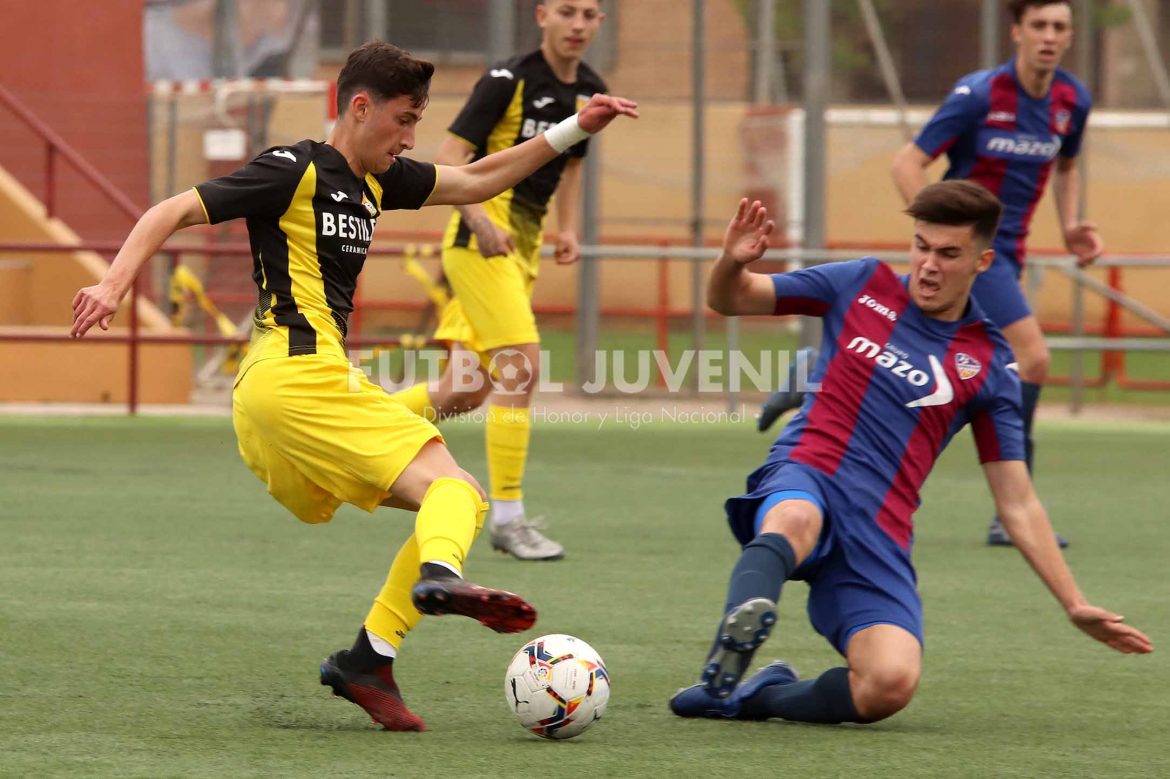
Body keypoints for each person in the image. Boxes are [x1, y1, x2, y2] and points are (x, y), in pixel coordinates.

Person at [70, 41, 637, 732]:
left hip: (280, 405)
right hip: (293, 376)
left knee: (444, 505)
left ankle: (369, 657)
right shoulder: (293, 166)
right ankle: (439, 580)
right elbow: (171, 210)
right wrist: (113, 281)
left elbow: (481, 179)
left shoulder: (381, 181)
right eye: (403, 120)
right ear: (359, 107)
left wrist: (578, 127)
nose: (411, 136)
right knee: (457, 492)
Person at [669, 183, 1151, 726]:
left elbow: (1016, 502)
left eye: (948, 254)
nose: (927, 265)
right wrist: (730, 263)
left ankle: (754, 697)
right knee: (795, 517)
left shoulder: (988, 365)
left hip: (879, 525)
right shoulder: (859, 282)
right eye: (921, 246)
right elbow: (729, 299)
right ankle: (725, 660)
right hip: (809, 469)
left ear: (983, 261)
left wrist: (1073, 602)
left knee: (889, 685)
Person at [386, 0, 607, 562]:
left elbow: (573, 165)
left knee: (465, 387)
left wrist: (570, 230)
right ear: (541, 17)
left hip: (522, 247)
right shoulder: (508, 79)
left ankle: (354, 424)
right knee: (522, 365)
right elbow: (452, 154)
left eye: (590, 14)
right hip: (479, 239)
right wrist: (479, 218)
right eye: (567, 12)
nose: (578, 24)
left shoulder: (589, 89)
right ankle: (508, 518)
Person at [889, 0, 1100, 547]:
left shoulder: (1072, 101)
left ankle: (811, 377)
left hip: (1009, 254)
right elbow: (906, 163)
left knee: (926, 357)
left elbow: (1069, 165)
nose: (1049, 36)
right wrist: (945, 237)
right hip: (981, 255)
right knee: (1032, 358)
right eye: (1039, 26)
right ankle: (1014, 512)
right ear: (1017, 32)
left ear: (1070, 36)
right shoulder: (979, 95)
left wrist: (1071, 225)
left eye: (1059, 27)